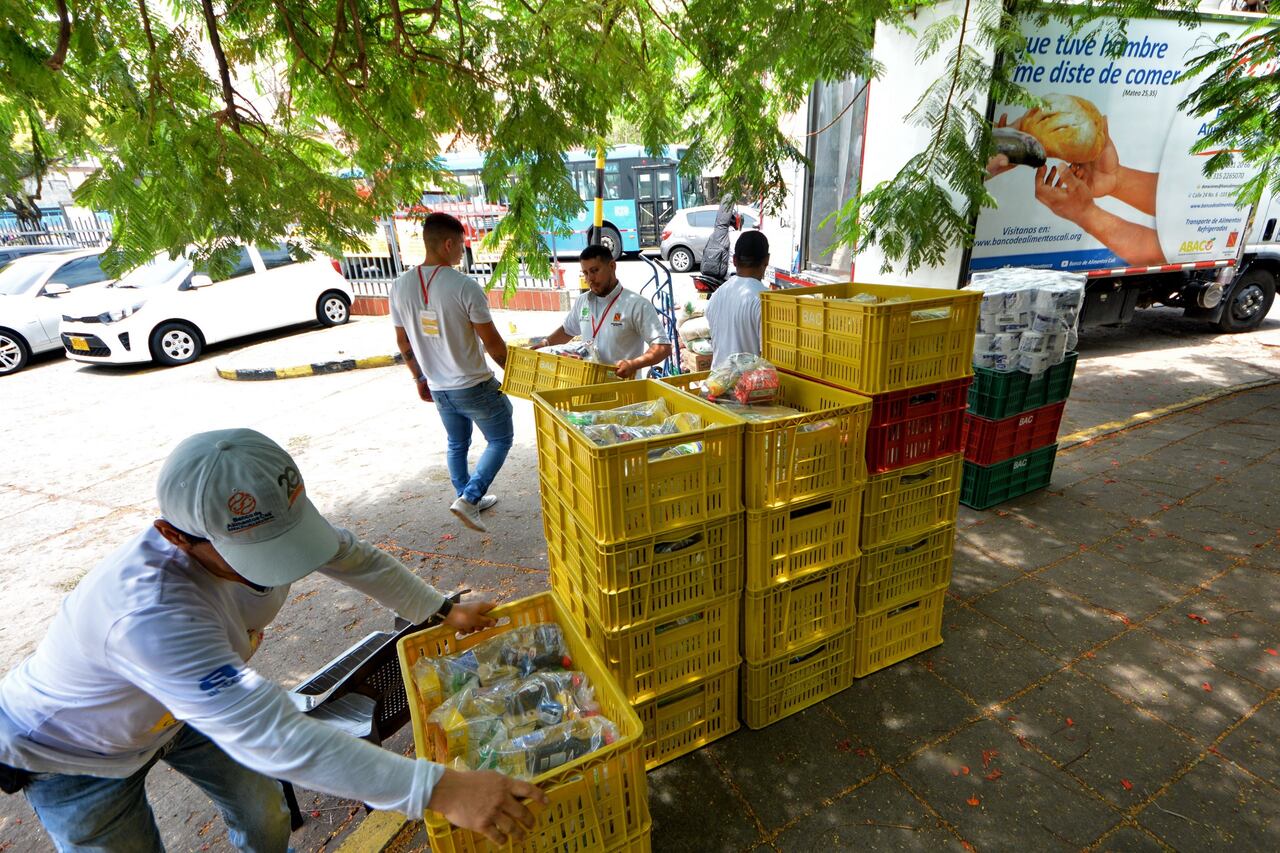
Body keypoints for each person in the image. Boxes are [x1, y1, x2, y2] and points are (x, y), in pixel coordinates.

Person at [0, 428, 547, 852]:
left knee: (265, 811)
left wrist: (441, 609)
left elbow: (352, 556)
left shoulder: (270, 521)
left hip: (185, 714)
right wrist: (441, 790)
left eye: (283, 538)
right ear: (172, 536)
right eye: (252, 552)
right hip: (75, 750)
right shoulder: (150, 615)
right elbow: (268, 733)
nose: (278, 566)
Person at [391, 212, 513, 533]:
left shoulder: (399, 287)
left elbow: (403, 341)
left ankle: (465, 498)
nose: (463, 250)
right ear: (448, 244)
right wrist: (518, 375)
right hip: (474, 384)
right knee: (500, 438)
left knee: (457, 444)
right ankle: (469, 499)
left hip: (439, 387)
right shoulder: (465, 286)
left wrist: (418, 379)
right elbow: (494, 346)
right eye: (461, 244)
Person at [535, 245, 672, 378]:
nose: (590, 279)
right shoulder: (582, 302)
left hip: (625, 390)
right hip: (589, 387)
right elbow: (567, 330)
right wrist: (544, 344)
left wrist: (633, 364)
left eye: (595, 271)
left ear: (612, 266)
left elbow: (663, 347)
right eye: (586, 273)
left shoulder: (637, 305)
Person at [705, 230, 770, 369]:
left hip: (716, 384)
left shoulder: (717, 295)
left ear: (734, 260)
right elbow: (769, 356)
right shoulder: (766, 300)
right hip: (748, 388)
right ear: (767, 260)